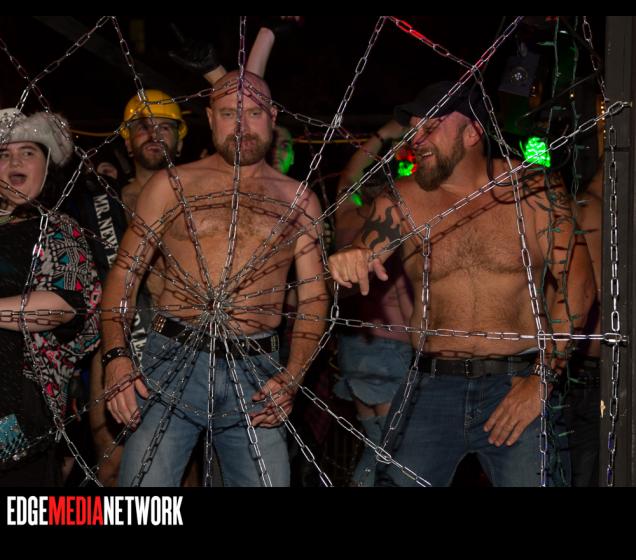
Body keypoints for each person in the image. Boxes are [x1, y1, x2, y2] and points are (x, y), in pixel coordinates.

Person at [328, 81, 595, 487]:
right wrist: (350, 258)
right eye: (413, 131)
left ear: (472, 132)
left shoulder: (532, 189)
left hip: (516, 383)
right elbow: (365, 253)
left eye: (429, 128)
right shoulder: (402, 199)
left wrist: (540, 382)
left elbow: (579, 284)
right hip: (429, 386)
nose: (416, 141)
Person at [101, 70, 328, 487]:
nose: (241, 125)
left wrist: (293, 376)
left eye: (254, 113)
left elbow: (315, 299)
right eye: (228, 113)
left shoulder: (299, 200)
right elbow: (124, 273)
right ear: (210, 118)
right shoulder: (173, 185)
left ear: (272, 117)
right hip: (171, 359)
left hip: (256, 373)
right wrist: (116, 358)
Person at [83, 90, 187, 486]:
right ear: (127, 141)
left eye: (165, 127)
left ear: (181, 139)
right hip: (120, 342)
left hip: (186, 345)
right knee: (112, 468)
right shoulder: (101, 203)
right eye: (143, 127)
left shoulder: (201, 198)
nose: (154, 135)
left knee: (184, 472)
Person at [0, 108, 101, 486]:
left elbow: (63, 307)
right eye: (4, 154)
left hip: (16, 409)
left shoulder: (57, 229)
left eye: (28, 152)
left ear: (47, 167)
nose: (14, 161)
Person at [334, 119, 414, 487]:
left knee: (376, 447)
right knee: (392, 454)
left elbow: (348, 174)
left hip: (353, 348)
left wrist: (382, 134)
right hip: (391, 349)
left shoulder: (345, 215)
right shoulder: (398, 222)